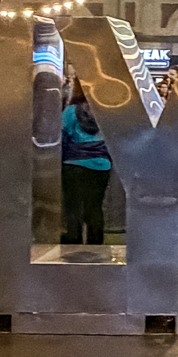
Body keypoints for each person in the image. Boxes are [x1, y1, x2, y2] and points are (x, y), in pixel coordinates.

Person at [60, 82, 111, 244]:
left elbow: (61, 139)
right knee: (95, 207)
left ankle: (73, 240)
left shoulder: (70, 112)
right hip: (101, 165)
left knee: (73, 206)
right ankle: (96, 243)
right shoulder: (106, 112)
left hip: (74, 165)